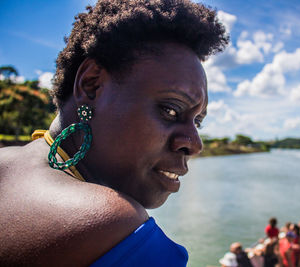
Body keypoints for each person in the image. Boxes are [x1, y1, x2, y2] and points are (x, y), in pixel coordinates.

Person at [0, 0, 228, 265]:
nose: (195, 144)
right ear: (91, 84)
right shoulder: (115, 229)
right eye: (170, 110)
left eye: (197, 121)